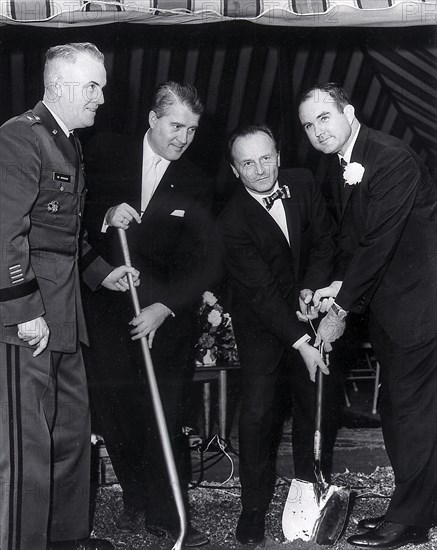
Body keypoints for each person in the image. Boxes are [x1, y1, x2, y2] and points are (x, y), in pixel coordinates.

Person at [0, 43, 140, 550]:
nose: (102, 97)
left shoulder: (69, 143)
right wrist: (24, 312)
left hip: (64, 310)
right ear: (57, 86)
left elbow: (63, 232)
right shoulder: (20, 138)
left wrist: (102, 274)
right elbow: (4, 232)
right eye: (92, 86)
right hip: (30, 312)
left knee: (70, 428)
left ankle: (64, 536)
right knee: (27, 441)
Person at [298, 82, 437, 549]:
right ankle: (414, 509)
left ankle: (410, 520)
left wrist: (339, 309)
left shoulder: (390, 156)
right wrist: (328, 287)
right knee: (399, 409)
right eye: (308, 125)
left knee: (413, 412)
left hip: (419, 305)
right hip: (391, 305)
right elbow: (354, 243)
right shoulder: (346, 163)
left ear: (349, 112)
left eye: (324, 117)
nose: (317, 131)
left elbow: (380, 243)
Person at [82, 82, 215, 547]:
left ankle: (172, 516)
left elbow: (204, 260)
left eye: (192, 130)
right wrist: (104, 215)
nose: (183, 138)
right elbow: (66, 217)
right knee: (117, 415)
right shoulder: (102, 153)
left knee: (164, 415)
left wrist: (164, 308)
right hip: (105, 313)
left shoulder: (198, 180)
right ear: (153, 120)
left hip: (163, 319)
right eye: (176, 126)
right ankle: (137, 496)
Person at [217, 124, 344, 545]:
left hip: (307, 310)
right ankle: (253, 508)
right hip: (262, 323)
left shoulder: (303, 182)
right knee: (257, 415)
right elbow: (263, 294)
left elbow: (325, 241)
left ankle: (312, 491)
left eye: (266, 158)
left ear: (278, 153)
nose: (260, 170)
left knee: (315, 404)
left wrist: (312, 286)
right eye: (247, 163)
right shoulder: (231, 219)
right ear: (235, 170)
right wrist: (302, 342)